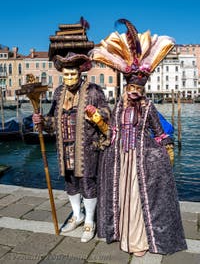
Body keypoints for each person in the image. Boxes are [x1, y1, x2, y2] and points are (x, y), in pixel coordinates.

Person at [90, 18, 187, 256]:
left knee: (139, 197)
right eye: (131, 89)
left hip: (141, 160)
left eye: (138, 90)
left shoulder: (148, 107)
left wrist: (167, 149)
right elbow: (112, 130)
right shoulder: (119, 107)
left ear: (142, 90)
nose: (134, 93)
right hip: (121, 159)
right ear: (126, 88)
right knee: (122, 195)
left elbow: (160, 131)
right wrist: (98, 121)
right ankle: (124, 235)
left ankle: (140, 239)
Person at [33, 51, 110, 243]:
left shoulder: (93, 90)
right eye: (66, 75)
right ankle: (78, 215)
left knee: (87, 184)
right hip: (64, 147)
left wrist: (95, 114)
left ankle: (90, 221)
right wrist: (41, 121)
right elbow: (52, 119)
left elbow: (108, 114)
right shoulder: (59, 92)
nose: (69, 78)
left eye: (73, 74)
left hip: (87, 148)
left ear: (80, 73)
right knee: (70, 183)